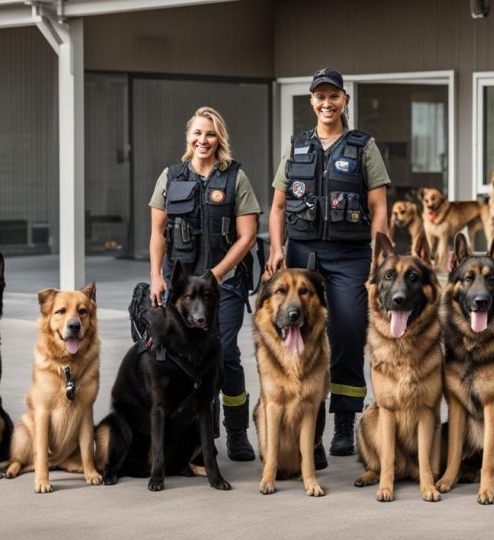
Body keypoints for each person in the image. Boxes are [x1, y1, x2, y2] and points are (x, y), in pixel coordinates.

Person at [266, 68, 390, 465]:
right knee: (297, 333)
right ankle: (310, 421)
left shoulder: (362, 146)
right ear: (311, 102)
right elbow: (279, 205)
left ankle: (343, 423)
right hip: (303, 254)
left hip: (350, 255)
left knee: (350, 330)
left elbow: (378, 206)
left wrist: (379, 257)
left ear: (344, 101)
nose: (326, 103)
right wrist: (276, 248)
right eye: (320, 96)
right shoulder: (297, 146)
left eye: (333, 96)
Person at [148, 106, 261, 462]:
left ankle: (237, 432)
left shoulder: (235, 178)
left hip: (222, 287)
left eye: (210, 134)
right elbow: (157, 231)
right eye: (197, 133)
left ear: (219, 139)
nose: (203, 140)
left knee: (224, 354)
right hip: (181, 291)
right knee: (184, 358)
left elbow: (247, 237)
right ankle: (201, 438)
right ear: (188, 137)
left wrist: (217, 274)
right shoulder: (170, 177)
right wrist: (155, 275)